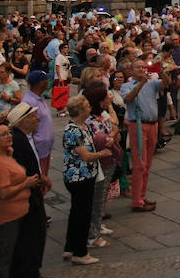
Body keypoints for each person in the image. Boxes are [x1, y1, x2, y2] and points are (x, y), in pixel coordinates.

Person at [0, 121, 38, 278]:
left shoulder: (5, 155)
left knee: (9, 252)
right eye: (3, 134)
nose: (9, 136)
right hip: (4, 216)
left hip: (15, 213)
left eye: (9, 132)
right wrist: (26, 183)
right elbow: (3, 192)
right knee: (2, 255)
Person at [6, 103, 53, 278]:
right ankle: (29, 274)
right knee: (34, 232)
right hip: (27, 191)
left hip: (31, 187)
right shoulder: (18, 140)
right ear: (24, 120)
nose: (38, 118)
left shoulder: (23, 138)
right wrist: (38, 180)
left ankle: (20, 271)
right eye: (34, 116)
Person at [61, 95, 112, 265]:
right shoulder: (73, 130)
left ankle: (70, 247)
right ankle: (80, 252)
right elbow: (85, 155)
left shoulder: (80, 126)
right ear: (81, 110)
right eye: (88, 106)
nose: (90, 108)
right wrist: (102, 154)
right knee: (82, 214)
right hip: (79, 176)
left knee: (76, 213)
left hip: (84, 175)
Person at [121, 58, 170, 212]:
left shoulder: (152, 83)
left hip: (152, 124)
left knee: (147, 164)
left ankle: (141, 196)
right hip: (138, 125)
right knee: (139, 164)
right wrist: (141, 83)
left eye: (143, 67)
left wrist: (161, 71)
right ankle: (137, 201)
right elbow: (128, 99)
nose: (142, 70)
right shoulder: (126, 85)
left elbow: (166, 83)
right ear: (131, 70)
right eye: (138, 67)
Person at [82, 83, 119, 248]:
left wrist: (112, 133)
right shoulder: (88, 120)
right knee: (97, 197)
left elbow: (115, 125)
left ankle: (97, 226)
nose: (108, 100)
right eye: (105, 98)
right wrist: (108, 137)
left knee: (102, 196)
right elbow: (96, 139)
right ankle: (92, 235)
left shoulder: (101, 114)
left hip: (108, 159)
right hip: (99, 161)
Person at [22, 70, 54, 176]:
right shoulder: (29, 101)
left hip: (45, 147)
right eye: (46, 80)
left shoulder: (40, 97)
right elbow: (26, 126)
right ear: (40, 83)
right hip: (38, 148)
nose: (48, 82)